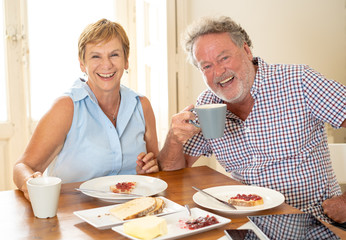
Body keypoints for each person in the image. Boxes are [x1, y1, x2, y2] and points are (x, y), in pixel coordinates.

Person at [157, 16, 346, 223]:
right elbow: (175, 172)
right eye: (207, 66)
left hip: (312, 220)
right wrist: (173, 138)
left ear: (246, 51)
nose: (219, 72)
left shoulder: (299, 81)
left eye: (224, 58)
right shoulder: (207, 103)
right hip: (246, 222)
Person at [13, 19, 159, 201]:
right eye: (95, 56)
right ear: (82, 64)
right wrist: (30, 181)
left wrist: (149, 168)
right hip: (74, 218)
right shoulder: (66, 107)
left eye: (114, 55)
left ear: (126, 60)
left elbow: (155, 168)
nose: (106, 65)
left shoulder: (141, 105)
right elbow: (22, 166)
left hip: (133, 214)